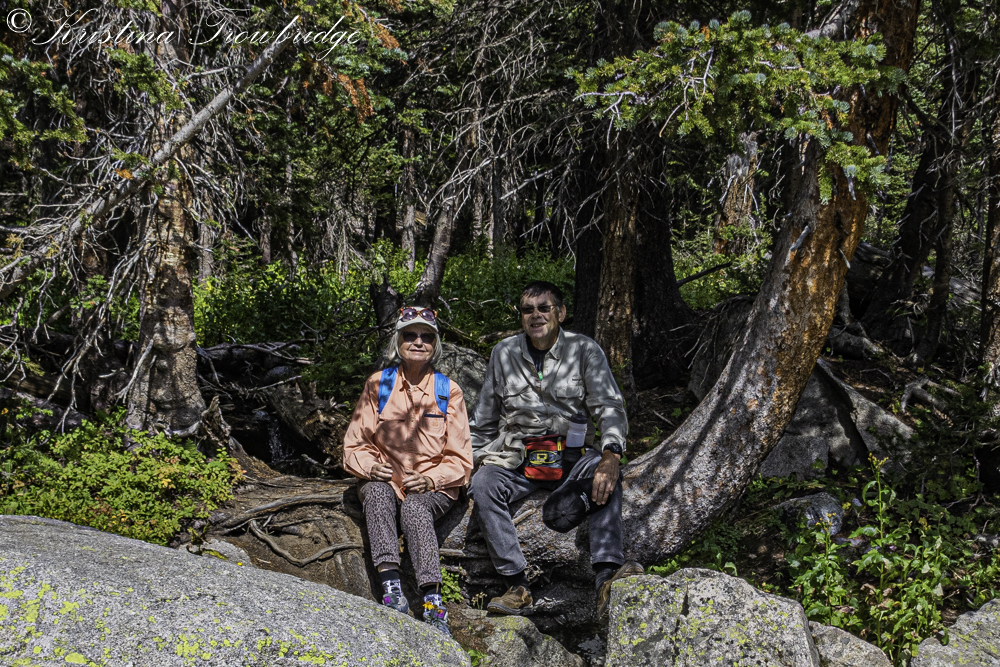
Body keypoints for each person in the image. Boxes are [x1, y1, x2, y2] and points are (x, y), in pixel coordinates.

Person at [469, 281, 643, 618]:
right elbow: (483, 420)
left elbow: (609, 406)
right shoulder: (503, 353)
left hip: (572, 459)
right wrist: (470, 462)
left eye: (543, 308)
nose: (535, 315)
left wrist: (611, 454)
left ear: (560, 313)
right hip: (518, 458)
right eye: (527, 310)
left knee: (604, 473)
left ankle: (607, 576)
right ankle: (516, 585)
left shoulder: (585, 350)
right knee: (484, 483)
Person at [343, 306, 473, 637]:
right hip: (386, 480)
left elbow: (461, 459)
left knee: (415, 508)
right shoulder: (378, 385)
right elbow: (355, 445)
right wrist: (371, 467)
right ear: (398, 341)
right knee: (375, 493)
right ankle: (391, 587)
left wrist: (430, 479)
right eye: (410, 335)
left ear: (435, 344)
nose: (418, 341)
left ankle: (432, 600)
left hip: (435, 486)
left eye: (426, 336)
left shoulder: (448, 391)